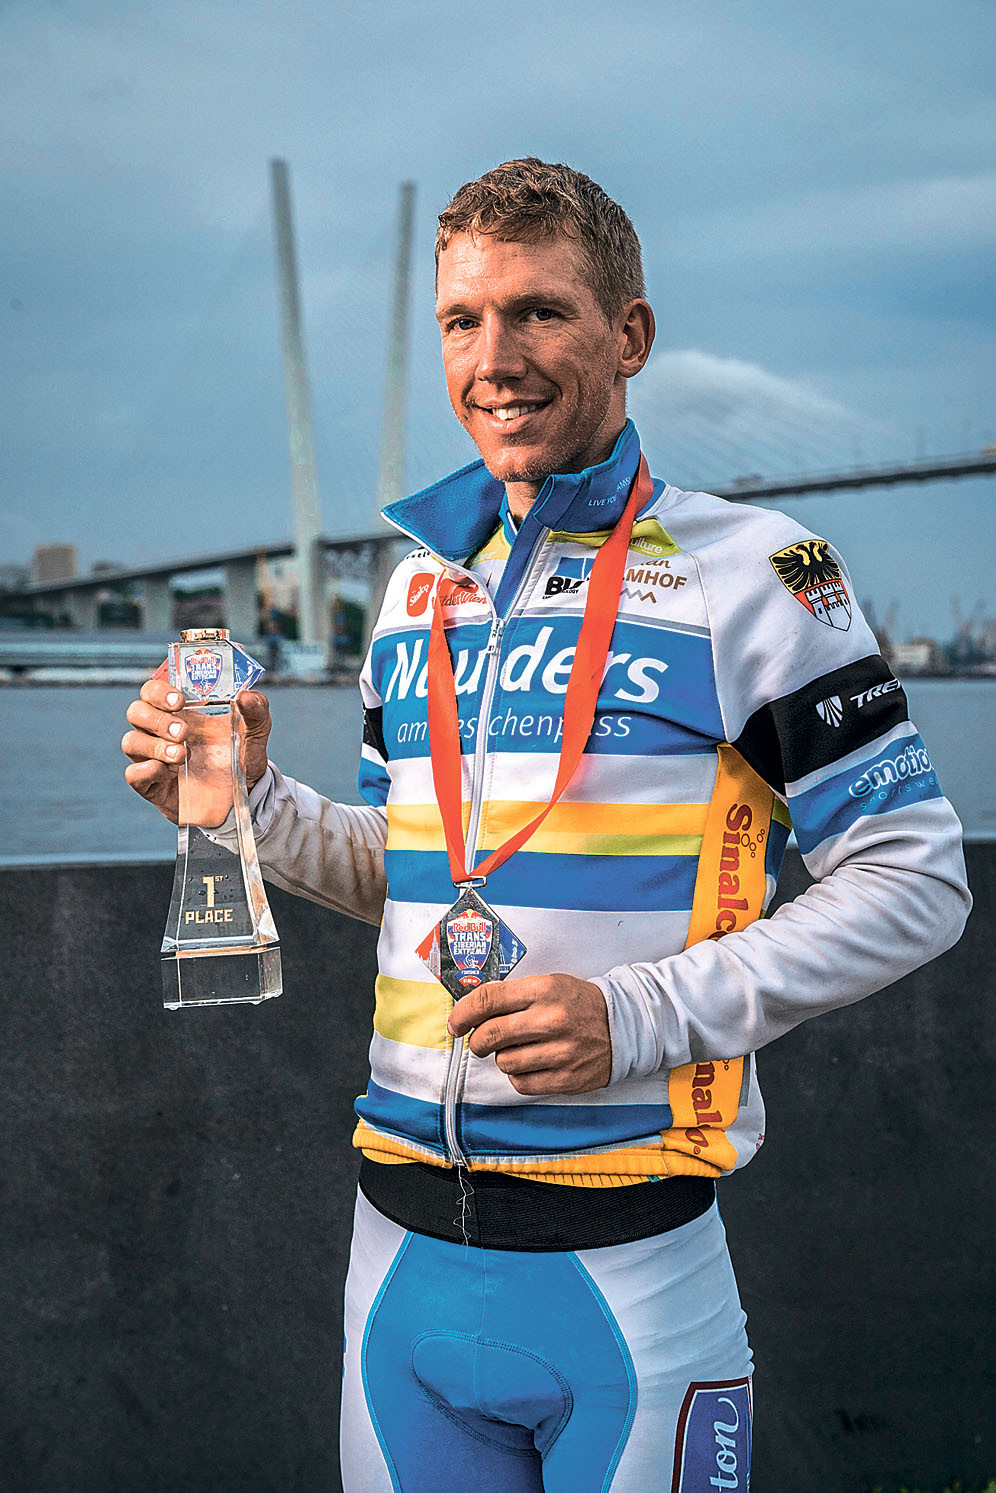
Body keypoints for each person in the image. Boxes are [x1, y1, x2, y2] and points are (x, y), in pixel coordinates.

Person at [121, 158, 971, 1492]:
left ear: (630, 333)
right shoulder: (418, 590)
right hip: (396, 1256)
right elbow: (411, 871)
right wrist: (248, 807)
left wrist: (638, 1014)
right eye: (462, 320)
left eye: (538, 312)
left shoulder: (759, 573)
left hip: (630, 1274)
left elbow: (919, 880)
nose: (493, 359)